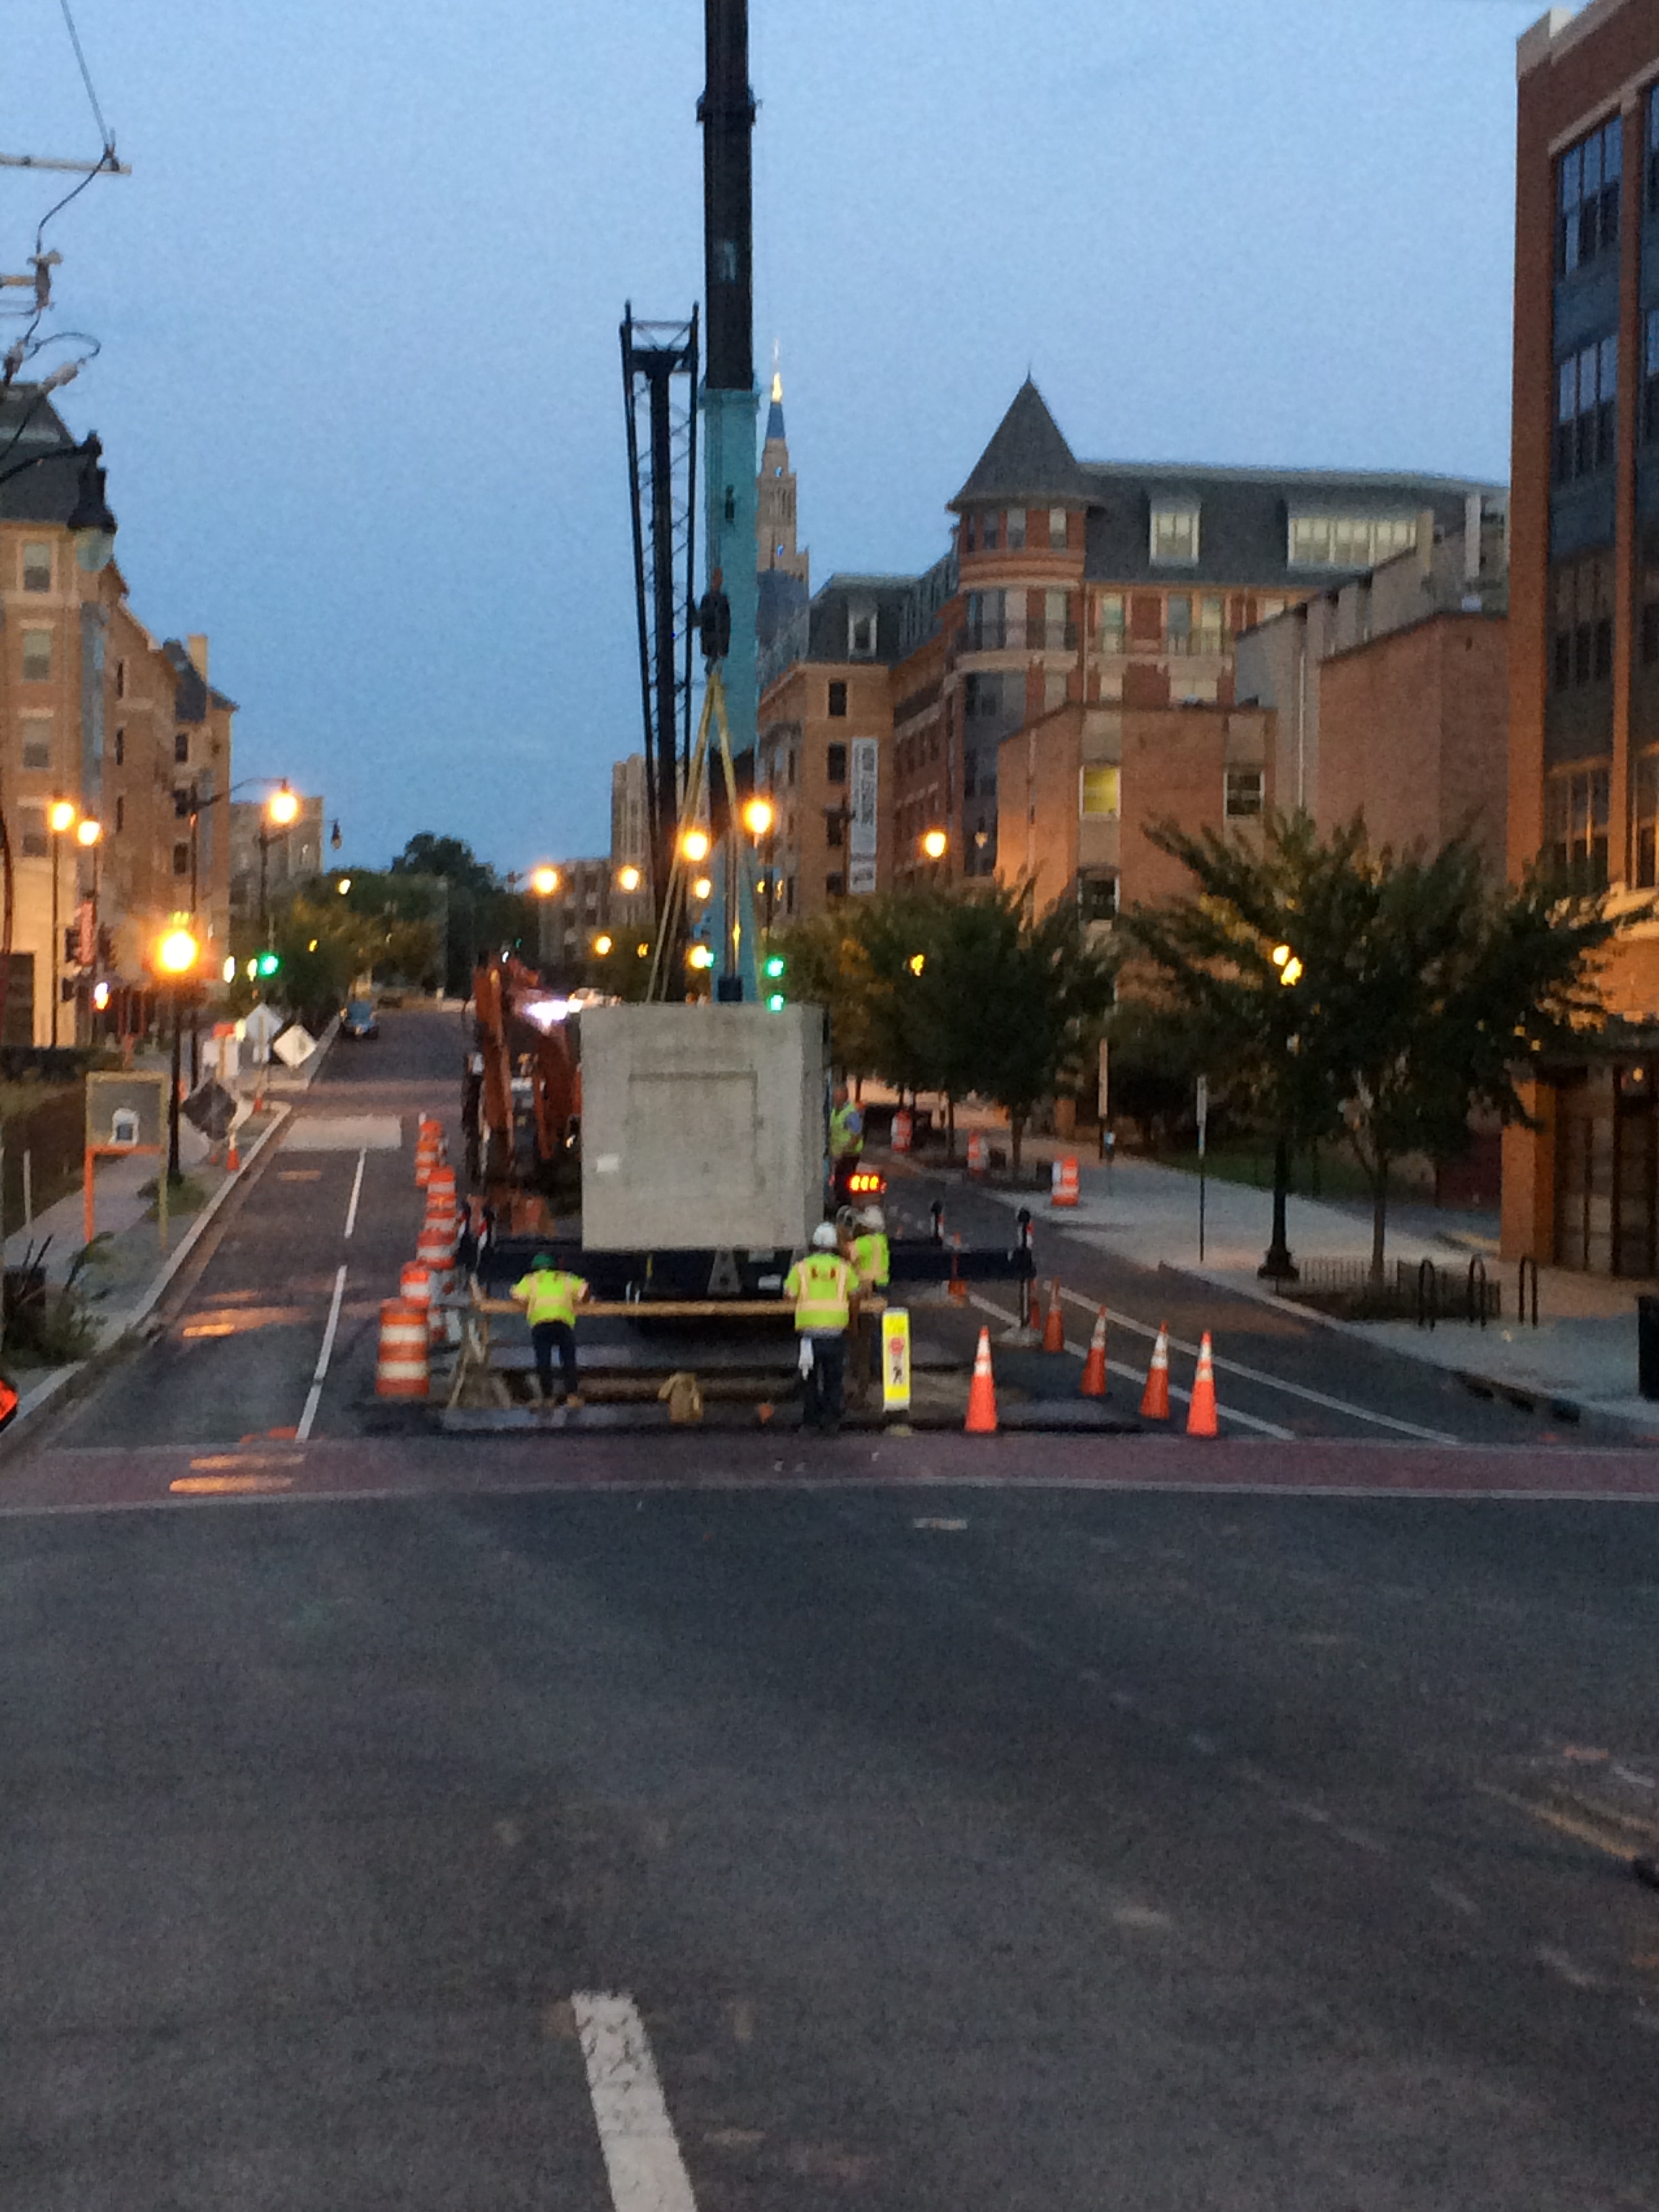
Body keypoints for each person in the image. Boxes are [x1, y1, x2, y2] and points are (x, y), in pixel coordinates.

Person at [784, 1222, 855, 1436]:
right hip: (835, 1332)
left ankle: (810, 1423)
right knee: (834, 1379)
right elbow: (857, 1292)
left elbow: (789, 1295)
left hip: (810, 1335)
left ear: (814, 1244)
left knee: (810, 1380)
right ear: (834, 1245)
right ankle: (831, 1422)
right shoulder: (844, 1269)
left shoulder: (801, 1268)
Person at [509, 1250, 590, 1407]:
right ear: (554, 1267)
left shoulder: (530, 1280)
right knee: (568, 1360)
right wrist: (583, 1301)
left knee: (543, 1362)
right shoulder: (566, 1278)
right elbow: (584, 1288)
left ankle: (548, 1397)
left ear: (535, 1268)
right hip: (563, 1323)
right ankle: (572, 1396)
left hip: (541, 1324)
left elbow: (516, 1294)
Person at [829, 1082, 864, 1207]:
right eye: (835, 1095)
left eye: (839, 1096)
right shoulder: (835, 1111)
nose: (836, 1098)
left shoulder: (850, 1113)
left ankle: (845, 1210)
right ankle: (842, 1209)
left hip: (849, 1155)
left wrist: (844, 1151)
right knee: (839, 1184)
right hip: (841, 1155)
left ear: (845, 1096)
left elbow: (856, 1135)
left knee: (842, 1185)